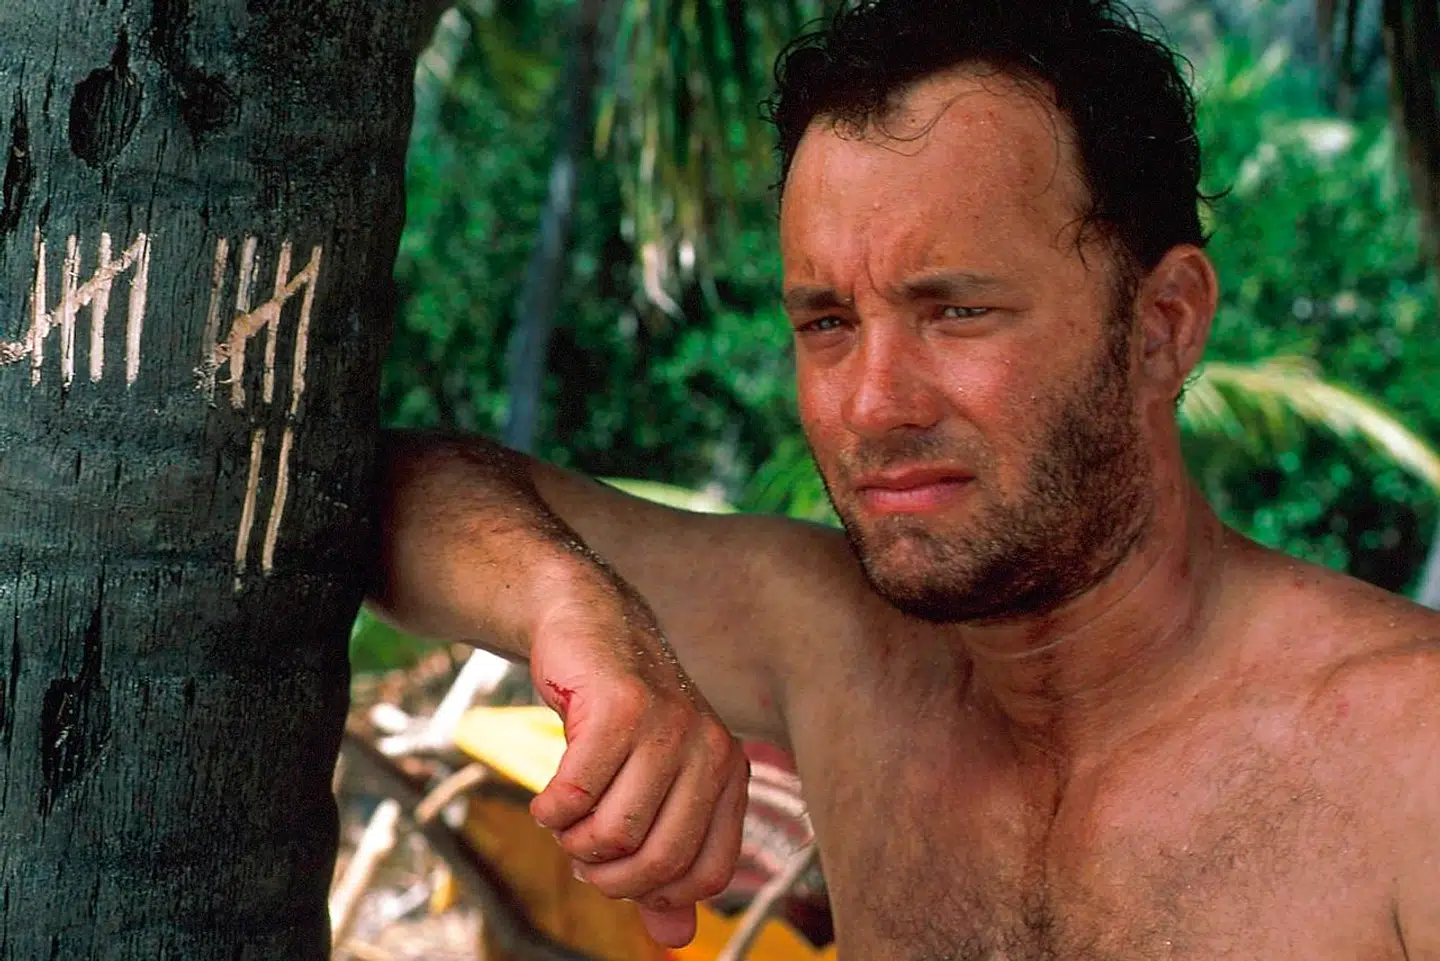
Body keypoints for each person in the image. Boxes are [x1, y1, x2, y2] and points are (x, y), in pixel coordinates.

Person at [371, 0, 1440, 956]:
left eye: (957, 311)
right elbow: (381, 494)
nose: (875, 404)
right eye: (828, 322)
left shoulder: (1409, 757)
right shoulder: (840, 648)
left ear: (1163, 325)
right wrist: (571, 603)